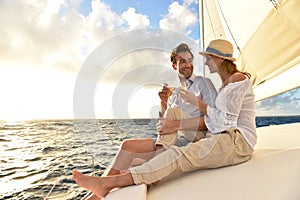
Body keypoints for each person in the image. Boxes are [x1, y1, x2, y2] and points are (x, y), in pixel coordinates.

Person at [73, 39, 257, 199]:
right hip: (180, 137)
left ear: (220, 59)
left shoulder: (205, 83)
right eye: (182, 61)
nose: (191, 64)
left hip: (209, 135)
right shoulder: (177, 93)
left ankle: (115, 181)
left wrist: (184, 115)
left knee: (166, 150)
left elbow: (215, 120)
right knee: (128, 146)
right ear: (174, 66)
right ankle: (98, 192)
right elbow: (165, 124)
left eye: (191, 60)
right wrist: (163, 104)